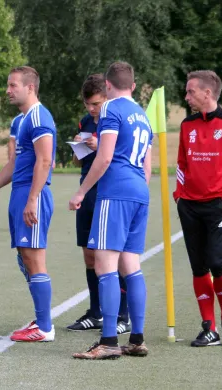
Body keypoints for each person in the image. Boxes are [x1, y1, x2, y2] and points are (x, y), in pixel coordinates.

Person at [70, 61, 152, 360]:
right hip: (139, 192)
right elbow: (147, 166)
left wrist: (81, 191)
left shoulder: (110, 110)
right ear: (132, 84)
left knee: (105, 266)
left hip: (115, 191)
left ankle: (107, 341)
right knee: (131, 265)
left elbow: (103, 158)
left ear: (107, 85)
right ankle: (138, 338)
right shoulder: (143, 116)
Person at [173, 70, 222, 347]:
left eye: (190, 91)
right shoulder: (187, 125)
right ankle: (209, 327)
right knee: (198, 268)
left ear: (207, 93)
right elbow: (181, 163)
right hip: (189, 206)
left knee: (217, 264)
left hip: (218, 206)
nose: (186, 96)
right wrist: (180, 195)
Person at [0, 66, 57, 342]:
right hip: (20, 192)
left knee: (34, 259)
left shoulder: (39, 117)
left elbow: (45, 161)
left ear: (30, 88)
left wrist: (33, 199)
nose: (8, 90)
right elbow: (15, 162)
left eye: (13, 85)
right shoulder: (24, 120)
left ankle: (45, 328)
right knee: (25, 259)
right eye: (8, 85)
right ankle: (41, 318)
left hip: (31, 194)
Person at [66, 74, 131, 334]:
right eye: (88, 104)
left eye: (96, 103)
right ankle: (95, 313)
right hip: (87, 192)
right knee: (89, 254)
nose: (92, 109)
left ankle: (122, 315)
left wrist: (100, 144)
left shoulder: (114, 119)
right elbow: (78, 162)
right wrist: (79, 148)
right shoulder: (85, 121)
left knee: (114, 255)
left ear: (107, 97)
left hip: (110, 192)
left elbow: (120, 155)